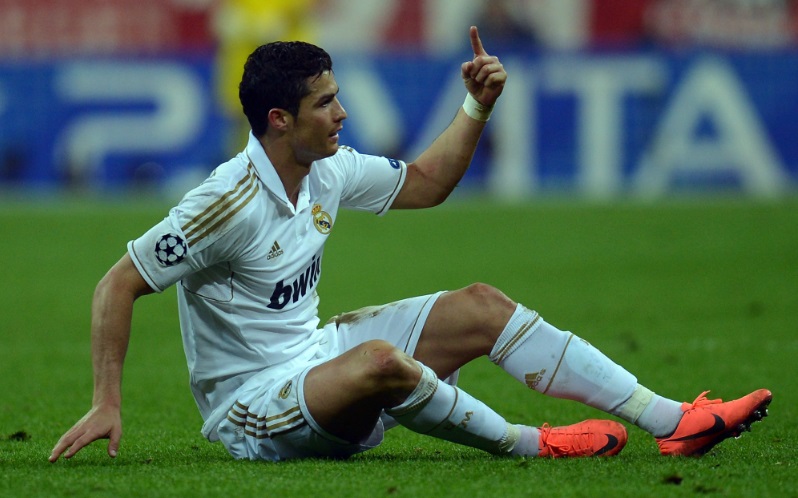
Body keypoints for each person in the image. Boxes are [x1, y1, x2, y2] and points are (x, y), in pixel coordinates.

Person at [50, 26, 771, 463]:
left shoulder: (328, 169)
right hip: (253, 406)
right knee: (379, 363)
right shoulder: (222, 204)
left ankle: (671, 419)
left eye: (337, 96)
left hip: (314, 358)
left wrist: (477, 106)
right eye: (325, 103)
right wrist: (107, 400)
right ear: (279, 119)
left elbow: (426, 183)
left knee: (481, 305)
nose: (342, 113)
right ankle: (534, 443)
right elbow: (119, 282)